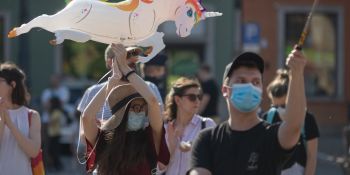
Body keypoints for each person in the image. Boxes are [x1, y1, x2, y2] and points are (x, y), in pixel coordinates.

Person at [188, 46, 307, 175]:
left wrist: (296, 73)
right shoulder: (207, 139)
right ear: (225, 90)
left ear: (261, 91)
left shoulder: (271, 136)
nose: (249, 87)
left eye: (256, 82)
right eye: (241, 81)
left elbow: (294, 126)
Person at [82, 44, 170, 175]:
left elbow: (153, 102)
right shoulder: (105, 137)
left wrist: (125, 68)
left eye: (142, 107)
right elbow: (87, 117)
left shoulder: (149, 138)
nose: (140, 112)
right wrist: (113, 81)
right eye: (135, 107)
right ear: (120, 110)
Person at [264, 68, 319, 175]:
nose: (279, 110)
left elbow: (312, 156)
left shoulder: (307, 119)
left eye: (284, 106)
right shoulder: (268, 117)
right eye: (275, 106)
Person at [164, 77, 216, 175]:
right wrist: (171, 149)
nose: (197, 101)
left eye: (199, 97)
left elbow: (217, 160)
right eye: (192, 97)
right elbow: (155, 170)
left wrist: (196, 147)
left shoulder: (207, 125)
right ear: (178, 100)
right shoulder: (165, 128)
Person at [0, 62, 42, 174]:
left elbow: (33, 151)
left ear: (12, 85)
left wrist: (9, 124)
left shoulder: (32, 116)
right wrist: (2, 119)